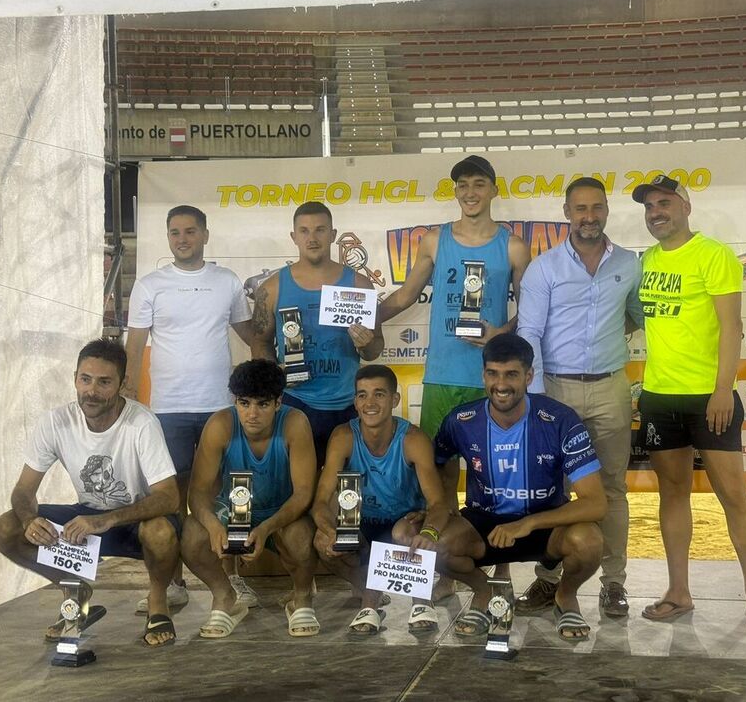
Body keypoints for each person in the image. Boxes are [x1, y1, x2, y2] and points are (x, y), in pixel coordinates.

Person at [632, 174, 746, 629]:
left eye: (665, 203)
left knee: (733, 495)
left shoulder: (714, 255)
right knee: (673, 493)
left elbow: (731, 326)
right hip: (657, 397)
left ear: (685, 207)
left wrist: (722, 389)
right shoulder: (648, 260)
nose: (657, 211)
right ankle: (679, 592)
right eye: (650, 206)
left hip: (709, 398)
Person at [0, 339, 180, 647]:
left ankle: (158, 603)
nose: (91, 391)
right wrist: (29, 520)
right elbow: (24, 490)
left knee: (160, 531)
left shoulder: (141, 422)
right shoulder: (55, 421)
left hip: (137, 523)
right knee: (6, 528)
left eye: (104, 382)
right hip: (88, 520)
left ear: (122, 383)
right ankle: (75, 591)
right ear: (75, 377)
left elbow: (170, 498)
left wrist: (107, 519)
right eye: (85, 379)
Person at [515, 177, 643, 618]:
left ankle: (613, 585)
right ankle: (548, 580)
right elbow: (528, 332)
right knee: (552, 490)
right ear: (567, 213)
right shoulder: (544, 267)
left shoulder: (630, 263)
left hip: (610, 387)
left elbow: (635, 318)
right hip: (556, 391)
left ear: (607, 210)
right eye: (580, 209)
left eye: (597, 208)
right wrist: (535, 399)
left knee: (612, 488)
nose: (589, 217)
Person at [124, 204, 258, 612]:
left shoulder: (226, 281)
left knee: (228, 491)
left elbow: (251, 334)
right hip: (168, 408)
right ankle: (171, 583)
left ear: (204, 234)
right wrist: (129, 396)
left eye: (189, 231)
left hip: (220, 406)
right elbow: (133, 346)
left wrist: (271, 357)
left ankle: (233, 577)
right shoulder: (150, 285)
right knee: (170, 497)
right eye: (174, 233)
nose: (182, 239)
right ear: (168, 238)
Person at [433, 334, 607, 641]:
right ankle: (485, 592)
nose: (501, 385)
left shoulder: (560, 419)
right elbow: (439, 461)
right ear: (483, 374)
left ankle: (565, 596)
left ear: (529, 376)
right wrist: (444, 507)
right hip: (483, 525)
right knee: (436, 546)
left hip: (544, 523)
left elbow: (596, 503)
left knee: (589, 541)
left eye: (511, 374)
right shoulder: (462, 420)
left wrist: (528, 523)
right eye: (492, 374)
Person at [378, 155, 530, 441]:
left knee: (488, 468)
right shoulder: (435, 240)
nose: (470, 193)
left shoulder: (513, 247)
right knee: (437, 467)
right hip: (441, 375)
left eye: (479, 184)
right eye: (463, 185)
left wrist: (500, 333)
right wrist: (366, 320)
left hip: (489, 377)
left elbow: (530, 311)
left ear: (494, 190)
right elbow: (405, 296)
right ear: (456, 191)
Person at [181, 359, 320, 638]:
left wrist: (267, 526)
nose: (252, 413)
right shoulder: (220, 424)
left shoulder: (295, 422)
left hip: (281, 511)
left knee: (302, 536)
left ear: (279, 403)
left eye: (263, 404)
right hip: (233, 513)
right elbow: (197, 492)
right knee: (192, 535)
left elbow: (304, 492)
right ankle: (225, 597)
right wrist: (213, 525)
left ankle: (302, 597)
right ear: (235, 401)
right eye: (244, 403)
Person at [311, 365, 449, 635]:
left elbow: (438, 503)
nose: (369, 403)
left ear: (395, 400)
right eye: (362, 395)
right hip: (360, 526)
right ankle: (368, 594)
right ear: (355, 401)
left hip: (402, 524)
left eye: (379, 395)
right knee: (320, 540)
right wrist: (329, 531)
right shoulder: (343, 436)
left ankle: (419, 602)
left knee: (404, 532)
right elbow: (321, 500)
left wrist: (429, 531)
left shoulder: (413, 438)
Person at [251, 201, 384, 467]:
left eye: (320, 230)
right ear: (294, 237)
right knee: (298, 488)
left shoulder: (358, 283)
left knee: (345, 491)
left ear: (333, 235)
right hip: (294, 401)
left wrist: (367, 343)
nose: (312, 238)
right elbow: (260, 341)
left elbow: (374, 349)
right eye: (304, 231)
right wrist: (274, 375)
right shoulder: (272, 287)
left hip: (348, 403)